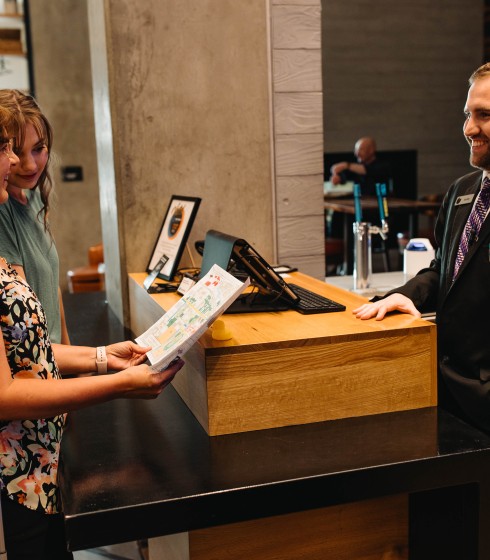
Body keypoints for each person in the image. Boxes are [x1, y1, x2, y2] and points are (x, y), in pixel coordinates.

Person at [0, 107, 185, 559]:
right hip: (16, 468)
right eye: (4, 149)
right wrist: (118, 383)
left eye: (25, 149)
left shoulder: (27, 206)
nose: (16, 163)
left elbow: (35, 347)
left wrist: (103, 358)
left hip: (37, 459)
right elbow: (5, 392)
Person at [352, 62, 490, 434]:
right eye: (467, 114)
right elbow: (441, 269)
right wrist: (401, 295)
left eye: (485, 115)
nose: (469, 128)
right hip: (442, 393)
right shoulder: (461, 191)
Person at [0, 89, 70, 345]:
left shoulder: (34, 196)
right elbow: (22, 324)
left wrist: (76, 360)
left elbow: (54, 288)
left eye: (38, 148)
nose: (30, 166)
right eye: (15, 151)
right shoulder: (2, 210)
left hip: (58, 361)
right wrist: (97, 360)